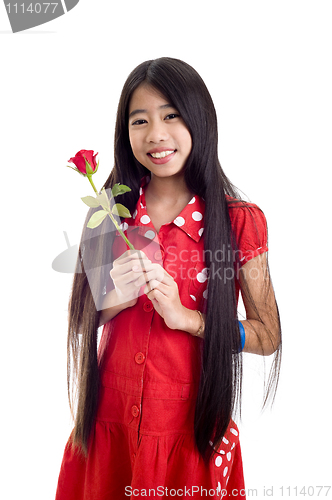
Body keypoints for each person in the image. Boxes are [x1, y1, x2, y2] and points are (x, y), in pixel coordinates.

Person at [55, 57, 281, 499]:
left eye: (171, 115)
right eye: (140, 121)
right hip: (107, 432)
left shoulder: (239, 223)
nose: (156, 134)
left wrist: (189, 319)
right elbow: (81, 318)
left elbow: (268, 334)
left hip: (189, 435)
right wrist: (116, 297)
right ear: (126, 133)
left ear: (200, 119)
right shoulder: (109, 215)